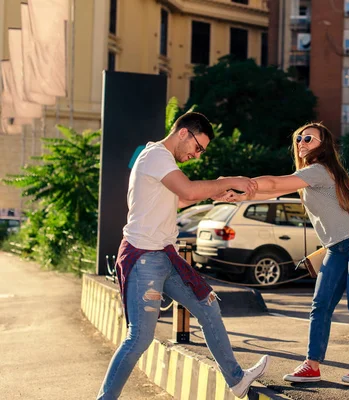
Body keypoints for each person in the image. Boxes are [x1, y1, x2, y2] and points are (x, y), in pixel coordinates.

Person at [97, 112, 269, 400]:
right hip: (143, 260)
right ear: (183, 133)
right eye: (197, 147)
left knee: (208, 308)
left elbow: (183, 198)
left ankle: (237, 380)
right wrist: (229, 180)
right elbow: (188, 189)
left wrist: (218, 193)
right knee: (139, 338)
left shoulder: (163, 164)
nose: (197, 155)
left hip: (165, 257)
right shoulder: (155, 156)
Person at [220, 122, 349, 385]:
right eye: (299, 138)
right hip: (336, 248)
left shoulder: (319, 170)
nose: (302, 142)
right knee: (320, 305)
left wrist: (241, 183)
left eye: (309, 138)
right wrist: (240, 197)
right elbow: (274, 189)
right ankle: (312, 365)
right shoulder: (309, 174)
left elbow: (275, 182)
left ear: (324, 146)